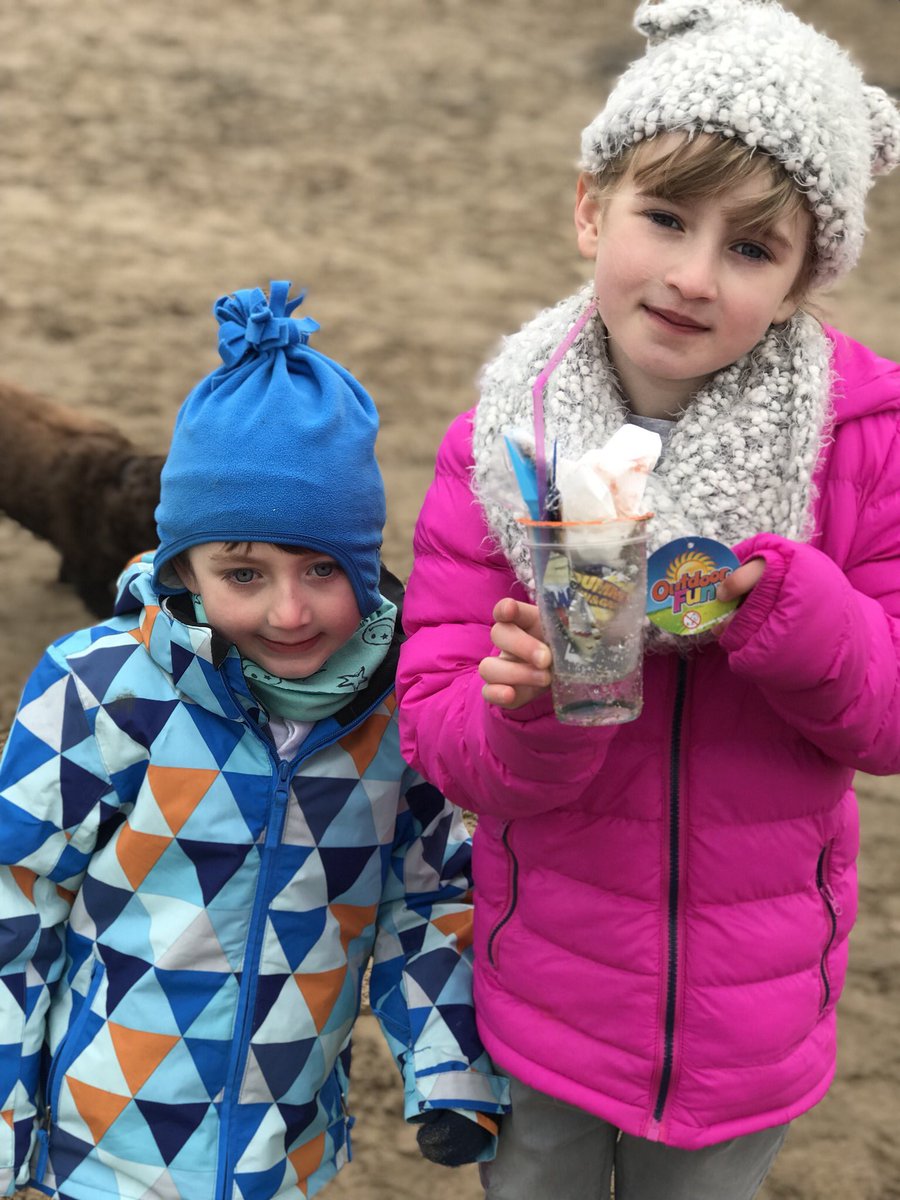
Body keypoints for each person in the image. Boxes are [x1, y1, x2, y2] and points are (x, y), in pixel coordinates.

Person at [395, 1, 900, 1197]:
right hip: (549, 984)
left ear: (799, 278)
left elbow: (886, 720)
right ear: (589, 208)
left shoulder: (864, 450)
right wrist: (535, 705)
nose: (690, 274)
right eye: (665, 217)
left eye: (750, 246)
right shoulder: (499, 452)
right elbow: (442, 731)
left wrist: (782, 606)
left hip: (754, 1010)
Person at [0, 281, 508, 1200]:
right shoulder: (101, 691)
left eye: (324, 569)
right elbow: (15, 903)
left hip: (282, 1152)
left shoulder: (399, 716)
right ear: (180, 566)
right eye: (244, 572)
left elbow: (427, 896)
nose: (287, 610)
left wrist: (449, 1071)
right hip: (100, 1148)